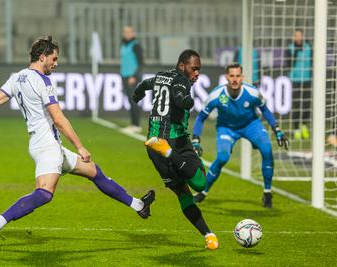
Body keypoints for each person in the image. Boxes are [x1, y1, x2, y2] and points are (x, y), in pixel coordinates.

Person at [0, 36, 155, 249]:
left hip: (48, 145)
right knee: (44, 193)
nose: (56, 64)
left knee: (94, 172)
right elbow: (58, 119)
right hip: (47, 146)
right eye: (54, 58)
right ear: (42, 57)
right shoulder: (43, 81)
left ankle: (139, 205)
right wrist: (79, 146)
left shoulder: (17, 78)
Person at [132, 49, 219, 250]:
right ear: (182, 67)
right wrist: (187, 101)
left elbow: (144, 84)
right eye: (194, 68)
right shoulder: (182, 80)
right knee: (199, 183)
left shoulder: (161, 76)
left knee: (183, 194)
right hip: (175, 142)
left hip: (153, 146)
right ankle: (169, 152)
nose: (196, 73)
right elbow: (180, 96)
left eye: (199, 69)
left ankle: (209, 235)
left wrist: (137, 94)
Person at [192, 63, 289, 208]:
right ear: (226, 77)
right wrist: (195, 139)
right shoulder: (216, 95)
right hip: (227, 128)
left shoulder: (252, 93)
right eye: (232, 76)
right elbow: (200, 118)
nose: (235, 79)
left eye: (238, 76)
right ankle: (203, 191)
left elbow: (265, 110)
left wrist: (277, 129)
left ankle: (267, 193)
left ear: (242, 77)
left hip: (251, 125)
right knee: (222, 157)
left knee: (267, 150)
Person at [285, 29, 312, 140]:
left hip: (306, 79)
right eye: (296, 35)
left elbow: (312, 62)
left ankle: (304, 125)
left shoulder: (308, 47)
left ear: (302, 36)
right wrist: (296, 52)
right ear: (293, 37)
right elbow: (289, 64)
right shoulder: (290, 48)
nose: (298, 37)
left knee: (306, 104)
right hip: (295, 79)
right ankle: (296, 129)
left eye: (300, 35)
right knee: (296, 105)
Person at [120, 26, 144, 134]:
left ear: (133, 33)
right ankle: (133, 124)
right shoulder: (124, 44)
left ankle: (136, 124)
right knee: (130, 100)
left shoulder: (136, 45)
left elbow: (140, 62)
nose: (126, 33)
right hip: (125, 75)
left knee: (133, 100)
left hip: (132, 77)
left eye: (129, 32)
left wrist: (134, 76)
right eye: (125, 31)